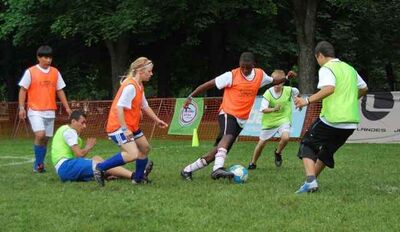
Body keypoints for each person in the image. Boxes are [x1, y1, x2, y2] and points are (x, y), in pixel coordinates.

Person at [180, 52, 296, 181]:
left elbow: (273, 81)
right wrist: (191, 96)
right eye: (242, 67)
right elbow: (209, 84)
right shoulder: (231, 75)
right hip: (227, 113)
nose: (245, 70)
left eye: (248, 67)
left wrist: (286, 78)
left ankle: (187, 170)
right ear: (239, 65)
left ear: (254, 65)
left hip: (241, 119)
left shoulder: (259, 75)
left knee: (219, 150)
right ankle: (217, 169)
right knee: (227, 136)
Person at [294, 41, 368, 193]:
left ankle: (310, 181)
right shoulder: (349, 69)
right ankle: (312, 182)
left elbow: (329, 88)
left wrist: (306, 101)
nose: (318, 62)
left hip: (332, 119)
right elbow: (364, 88)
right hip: (350, 123)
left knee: (307, 145)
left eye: (317, 59)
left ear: (320, 55)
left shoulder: (327, 68)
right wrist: (350, 100)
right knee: (326, 152)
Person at [93, 57, 168, 187]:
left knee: (145, 148)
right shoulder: (130, 87)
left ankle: (138, 179)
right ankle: (100, 168)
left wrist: (157, 120)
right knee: (132, 154)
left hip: (130, 126)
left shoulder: (139, 85)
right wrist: (124, 129)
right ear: (140, 71)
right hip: (118, 127)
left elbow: (144, 105)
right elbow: (119, 108)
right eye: (149, 71)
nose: (151, 73)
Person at [18, 45, 72, 173]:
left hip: (50, 110)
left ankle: (40, 165)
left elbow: (60, 90)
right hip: (35, 110)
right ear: (39, 58)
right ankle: (38, 165)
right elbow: (23, 90)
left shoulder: (55, 72)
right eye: (46, 57)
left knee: (46, 139)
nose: (48, 60)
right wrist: (21, 108)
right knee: (40, 134)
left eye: (50, 58)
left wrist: (67, 107)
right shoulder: (30, 71)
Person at [51, 110, 133, 182]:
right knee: (100, 165)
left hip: (65, 169)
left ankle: (108, 174)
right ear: (73, 122)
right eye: (82, 123)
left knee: (96, 158)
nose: (84, 126)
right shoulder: (70, 131)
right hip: (66, 167)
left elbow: (78, 157)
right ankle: (134, 175)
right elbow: (79, 154)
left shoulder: (63, 129)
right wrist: (88, 147)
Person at [248, 69, 299, 170]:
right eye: (275, 82)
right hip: (269, 122)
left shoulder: (290, 90)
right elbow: (263, 109)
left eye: (279, 82)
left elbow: (296, 96)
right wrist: (274, 109)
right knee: (261, 143)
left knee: (285, 138)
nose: (277, 84)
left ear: (283, 82)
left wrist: (298, 102)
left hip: (284, 119)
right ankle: (253, 162)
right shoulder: (268, 93)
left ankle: (278, 153)